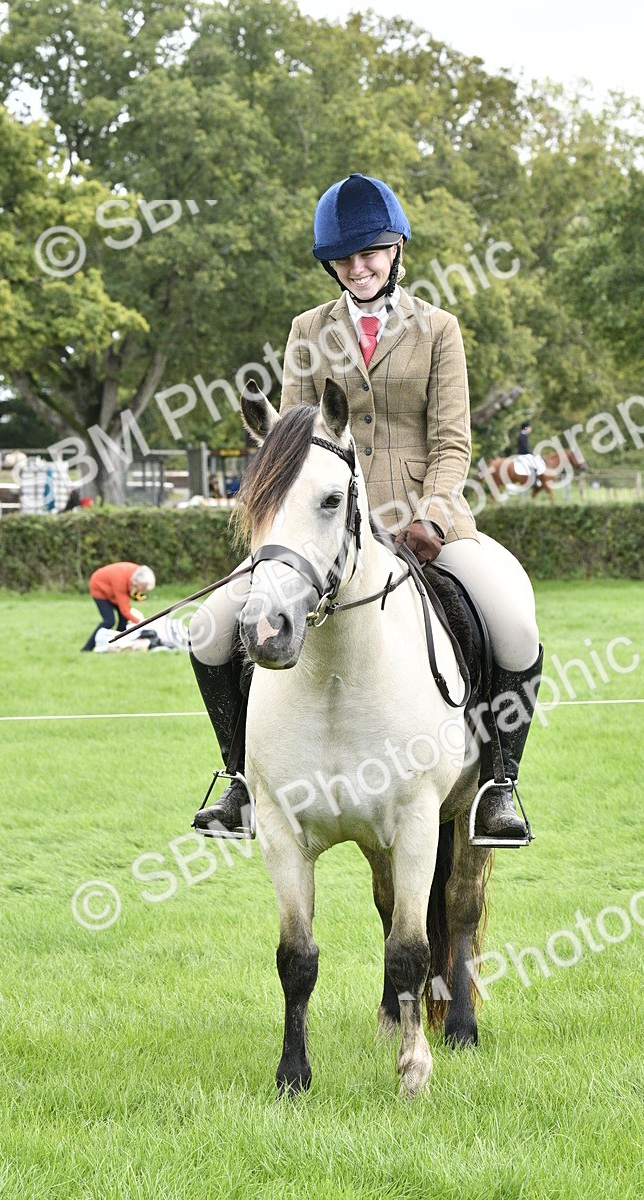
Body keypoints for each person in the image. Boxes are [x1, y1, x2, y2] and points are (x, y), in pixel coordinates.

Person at [189, 173, 542, 840]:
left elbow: (451, 439)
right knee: (209, 628)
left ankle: (500, 784)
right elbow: (293, 436)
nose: (360, 267)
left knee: (514, 624)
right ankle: (238, 782)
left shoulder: (439, 329)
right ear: (332, 264)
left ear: (396, 249)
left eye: (372, 253)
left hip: (425, 527)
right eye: (346, 259)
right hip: (322, 530)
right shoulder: (307, 330)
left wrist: (432, 516)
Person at [81, 562, 155, 652]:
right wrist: (140, 623)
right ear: (137, 583)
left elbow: (127, 605)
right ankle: (87, 648)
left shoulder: (140, 572)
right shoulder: (121, 580)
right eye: (143, 588)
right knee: (109, 621)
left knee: (123, 619)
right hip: (99, 587)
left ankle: (119, 645)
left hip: (113, 587)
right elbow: (125, 610)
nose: (143, 591)